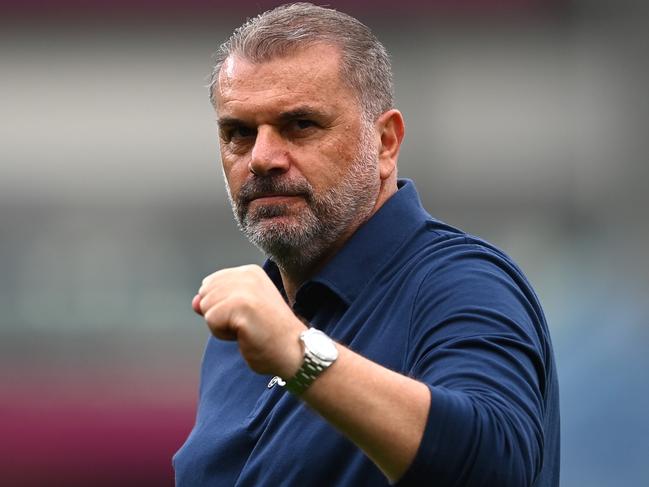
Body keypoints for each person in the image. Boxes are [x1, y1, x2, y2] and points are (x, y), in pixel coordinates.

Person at [173, 3, 560, 486]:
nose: (262, 158)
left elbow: (498, 467)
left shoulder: (459, 281)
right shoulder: (247, 327)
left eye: (301, 125)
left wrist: (298, 352)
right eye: (239, 133)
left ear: (386, 142)